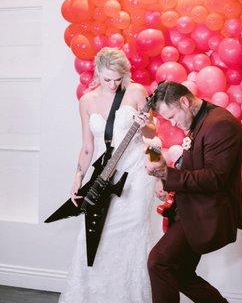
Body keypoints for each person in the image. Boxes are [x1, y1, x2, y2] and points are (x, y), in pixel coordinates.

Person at [59, 47, 160, 303]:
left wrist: (144, 124)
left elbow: (151, 136)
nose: (113, 84)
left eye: (117, 79)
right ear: (97, 73)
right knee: (95, 232)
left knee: (134, 231)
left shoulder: (136, 92)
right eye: (107, 79)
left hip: (137, 172)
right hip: (106, 173)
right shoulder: (87, 101)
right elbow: (87, 146)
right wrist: (77, 177)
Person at [145, 81, 242, 303]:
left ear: (184, 101)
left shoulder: (221, 124)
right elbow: (189, 163)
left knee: (158, 262)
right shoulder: (201, 119)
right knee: (180, 274)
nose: (172, 123)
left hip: (205, 214)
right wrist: (165, 178)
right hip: (190, 209)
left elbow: (214, 178)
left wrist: (166, 175)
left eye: (172, 116)